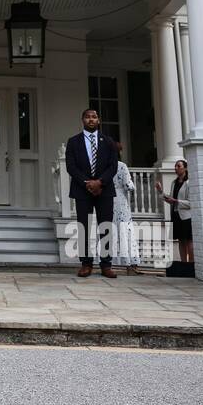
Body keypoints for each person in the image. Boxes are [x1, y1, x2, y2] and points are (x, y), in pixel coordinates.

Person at [64, 108, 118, 278]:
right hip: (82, 190)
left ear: (98, 120)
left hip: (105, 189)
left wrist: (100, 182)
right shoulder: (74, 142)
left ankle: (106, 264)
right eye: (87, 117)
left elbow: (113, 166)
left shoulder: (108, 142)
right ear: (82, 120)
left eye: (94, 117)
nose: (91, 119)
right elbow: (71, 167)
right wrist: (88, 183)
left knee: (106, 227)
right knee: (83, 227)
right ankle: (86, 264)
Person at [111, 142, 141, 275]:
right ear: (119, 152)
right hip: (121, 201)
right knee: (126, 231)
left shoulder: (106, 166)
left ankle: (109, 262)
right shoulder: (121, 166)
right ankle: (130, 264)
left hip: (109, 200)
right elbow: (129, 185)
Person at [156, 159, 193, 265]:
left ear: (185, 168)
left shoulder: (189, 183)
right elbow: (171, 200)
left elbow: (191, 203)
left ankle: (191, 264)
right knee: (181, 241)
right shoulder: (174, 183)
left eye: (179, 166)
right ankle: (183, 264)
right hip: (176, 215)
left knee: (189, 240)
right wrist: (161, 191)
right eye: (175, 166)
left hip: (186, 217)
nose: (176, 168)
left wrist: (176, 201)